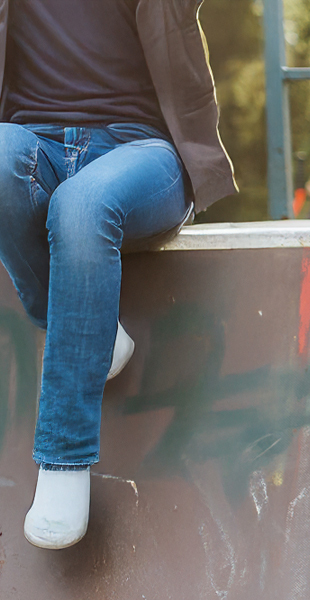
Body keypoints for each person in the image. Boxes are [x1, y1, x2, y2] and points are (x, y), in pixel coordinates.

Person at [0, 0, 236, 550]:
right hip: (32, 142)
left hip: (142, 151)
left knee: (80, 209)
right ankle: (95, 337)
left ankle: (62, 461)